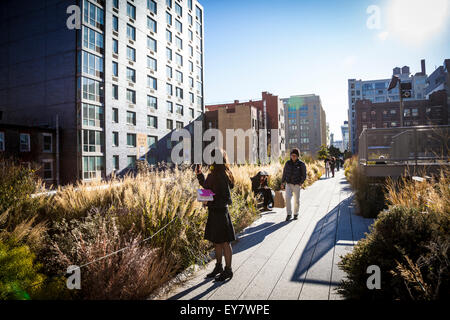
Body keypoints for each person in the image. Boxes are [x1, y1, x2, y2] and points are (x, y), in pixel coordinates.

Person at [195, 149, 235, 281]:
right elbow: (208, 187)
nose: (211, 161)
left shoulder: (220, 174)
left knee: (224, 242)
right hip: (216, 211)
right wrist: (200, 175)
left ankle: (228, 270)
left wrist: (209, 199)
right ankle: (219, 267)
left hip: (220, 212)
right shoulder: (219, 172)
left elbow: (225, 197)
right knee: (217, 242)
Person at [281, 148, 307, 221]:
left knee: (296, 200)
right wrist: (282, 182)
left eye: (295, 155)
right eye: (292, 155)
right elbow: (284, 173)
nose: (293, 157)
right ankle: (289, 214)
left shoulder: (301, 164)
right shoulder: (287, 163)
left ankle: (296, 214)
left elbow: (304, 175)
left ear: (298, 156)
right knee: (287, 199)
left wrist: (300, 183)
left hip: (297, 184)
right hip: (288, 184)